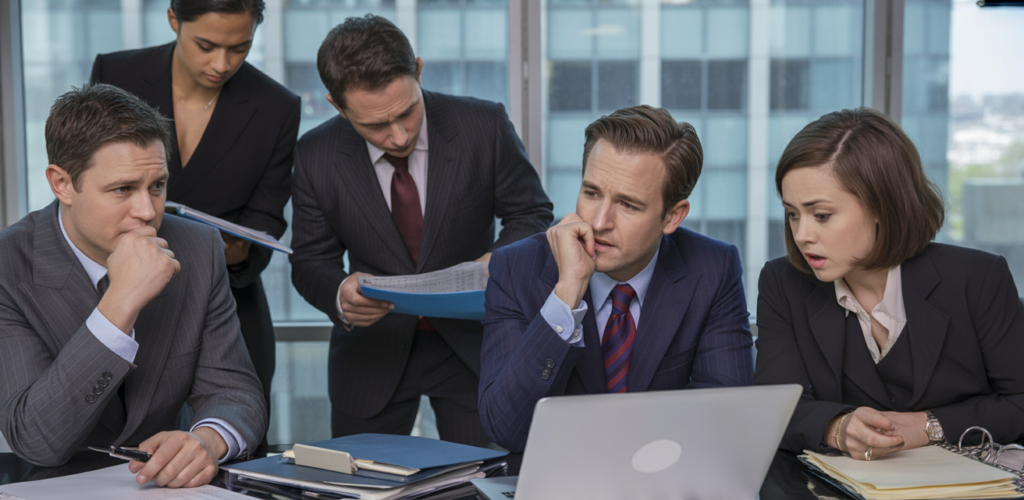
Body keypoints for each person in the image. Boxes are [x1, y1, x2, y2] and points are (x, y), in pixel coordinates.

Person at [290, 15, 553, 444]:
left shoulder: (483, 125)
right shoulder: (315, 154)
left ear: (419, 70)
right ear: (337, 106)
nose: (398, 137)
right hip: (371, 357)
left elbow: (531, 213)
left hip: (475, 349)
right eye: (375, 125)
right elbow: (310, 261)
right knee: (364, 484)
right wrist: (340, 294)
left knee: (482, 479)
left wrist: (499, 262)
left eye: (407, 112)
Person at [0, 83, 267, 486]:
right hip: (52, 498)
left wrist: (207, 441)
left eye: (157, 186)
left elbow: (236, 391)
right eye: (123, 189)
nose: (147, 211)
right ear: (62, 184)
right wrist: (120, 302)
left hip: (166, 495)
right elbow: (36, 440)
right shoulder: (8, 266)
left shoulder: (198, 248)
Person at [754, 107, 1024, 460]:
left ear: (882, 206)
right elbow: (772, 409)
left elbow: (1019, 401)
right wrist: (837, 427)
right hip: (845, 489)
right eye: (792, 214)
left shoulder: (977, 278)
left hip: (975, 486)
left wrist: (929, 426)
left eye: (821, 215)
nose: (802, 234)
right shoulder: (782, 283)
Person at [480, 106, 754, 453]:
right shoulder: (517, 268)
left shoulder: (713, 269)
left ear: (673, 216)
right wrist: (566, 295)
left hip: (663, 475)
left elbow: (725, 419)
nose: (598, 222)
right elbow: (506, 428)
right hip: (559, 475)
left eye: (628, 205)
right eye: (591, 193)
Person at [90, 0, 300, 418]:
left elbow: (267, 215)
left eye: (240, 48)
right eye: (206, 45)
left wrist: (237, 253)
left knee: (233, 435)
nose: (222, 64)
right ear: (173, 19)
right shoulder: (115, 75)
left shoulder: (277, 106)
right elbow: (89, 177)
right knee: (114, 440)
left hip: (228, 301)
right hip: (122, 295)